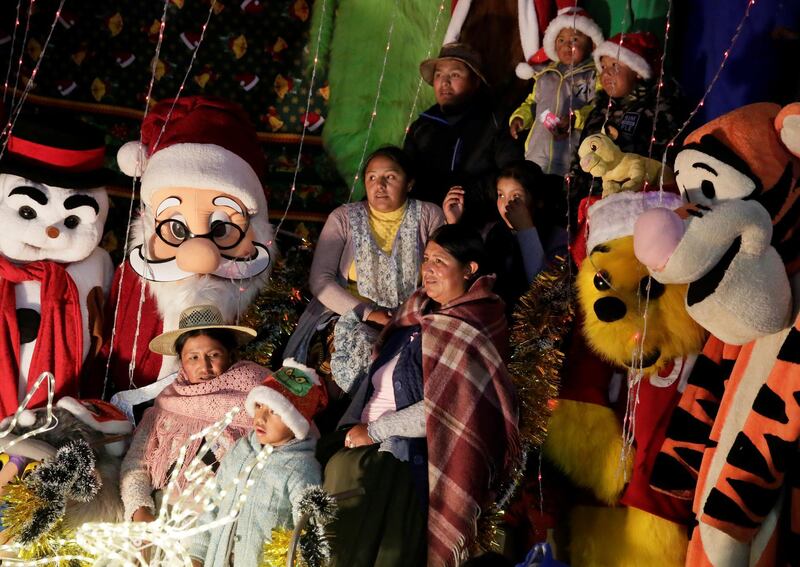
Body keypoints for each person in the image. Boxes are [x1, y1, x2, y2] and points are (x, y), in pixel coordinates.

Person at [319, 224, 520, 567]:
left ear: (470, 269)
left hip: (402, 456)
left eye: (439, 261)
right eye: (425, 258)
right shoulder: (414, 315)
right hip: (361, 440)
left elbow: (448, 410)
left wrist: (376, 432)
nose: (427, 268)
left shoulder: (471, 328)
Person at [283, 146, 444, 378]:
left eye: (390, 177)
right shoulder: (343, 218)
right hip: (346, 315)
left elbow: (441, 272)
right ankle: (341, 413)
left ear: (409, 183)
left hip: (410, 318)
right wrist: (368, 314)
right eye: (372, 178)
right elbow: (320, 281)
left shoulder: (429, 216)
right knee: (357, 348)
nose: (380, 186)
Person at [119, 304, 267, 522]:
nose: (204, 366)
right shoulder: (167, 404)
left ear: (230, 355)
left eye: (214, 355)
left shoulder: (256, 395)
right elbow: (136, 462)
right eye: (193, 357)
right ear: (181, 360)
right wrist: (138, 509)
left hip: (222, 517)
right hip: (162, 511)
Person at [188, 360, 327, 567]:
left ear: (294, 421)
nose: (260, 417)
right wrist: (197, 555)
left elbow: (309, 528)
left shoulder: (301, 468)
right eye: (260, 406)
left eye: (274, 411)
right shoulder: (239, 451)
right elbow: (214, 504)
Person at [567, 32, 686, 226]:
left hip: (637, 204)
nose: (606, 73)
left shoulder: (658, 105)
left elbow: (664, 154)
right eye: (603, 67)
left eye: (615, 66)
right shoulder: (598, 112)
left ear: (637, 70)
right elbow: (580, 158)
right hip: (591, 205)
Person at [404, 43, 522, 230]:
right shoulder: (422, 126)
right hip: (426, 223)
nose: (444, 82)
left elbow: (511, 174)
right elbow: (405, 174)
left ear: (476, 82)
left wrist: (463, 196)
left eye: (455, 75)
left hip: (481, 224)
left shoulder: (496, 121)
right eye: (438, 75)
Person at [509, 7, 604, 176]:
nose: (567, 45)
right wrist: (519, 118)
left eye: (575, 39)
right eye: (561, 40)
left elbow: (599, 106)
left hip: (572, 157)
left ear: (591, 43)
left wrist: (576, 118)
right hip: (536, 155)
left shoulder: (593, 75)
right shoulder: (545, 75)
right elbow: (532, 103)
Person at [485, 161, 569, 312]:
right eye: (501, 195)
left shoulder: (558, 237)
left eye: (516, 196)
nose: (506, 204)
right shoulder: (495, 233)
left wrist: (526, 230)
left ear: (538, 200)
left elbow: (546, 293)